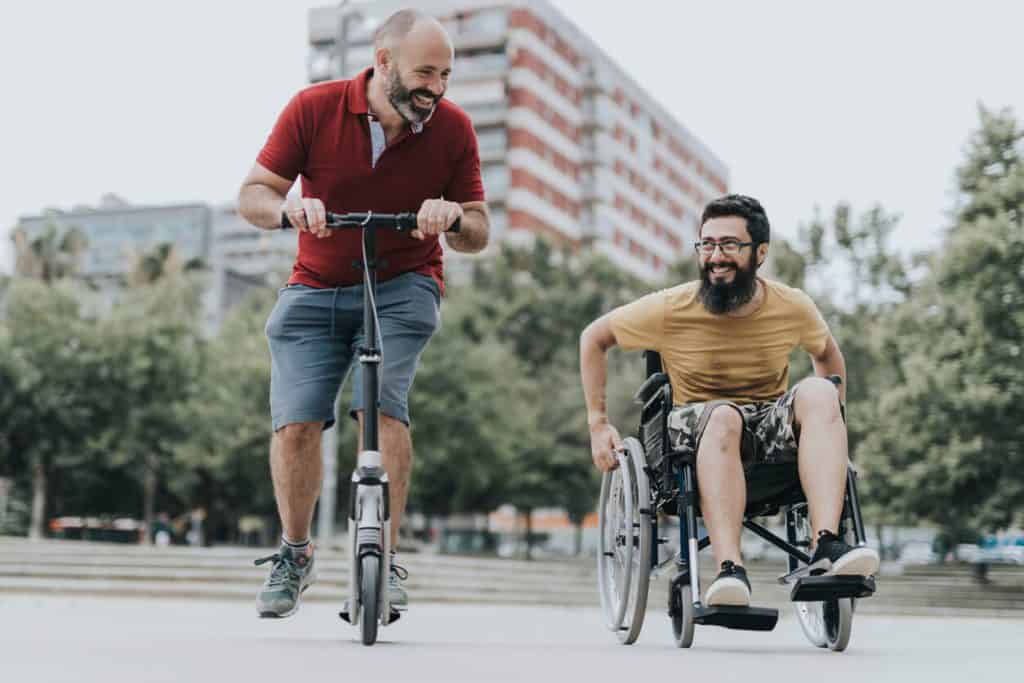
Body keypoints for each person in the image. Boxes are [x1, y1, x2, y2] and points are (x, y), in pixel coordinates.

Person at [238, 8, 490, 618]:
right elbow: (253, 193)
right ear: (383, 63)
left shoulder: (453, 129)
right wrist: (291, 209)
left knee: (383, 406)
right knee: (297, 424)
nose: (437, 87)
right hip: (316, 284)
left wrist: (452, 216)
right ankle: (295, 554)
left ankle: (389, 560)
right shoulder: (313, 108)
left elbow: (478, 229)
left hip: (405, 282)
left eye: (446, 75)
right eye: (425, 72)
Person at [579, 194, 878, 607]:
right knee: (724, 417)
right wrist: (598, 424)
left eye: (729, 246)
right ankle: (728, 570)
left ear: (760, 253)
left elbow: (827, 357)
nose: (715, 256)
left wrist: (830, 429)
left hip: (767, 424)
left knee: (819, 391)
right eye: (707, 245)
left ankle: (825, 545)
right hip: (697, 428)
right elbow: (594, 338)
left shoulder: (792, 306)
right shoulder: (670, 308)